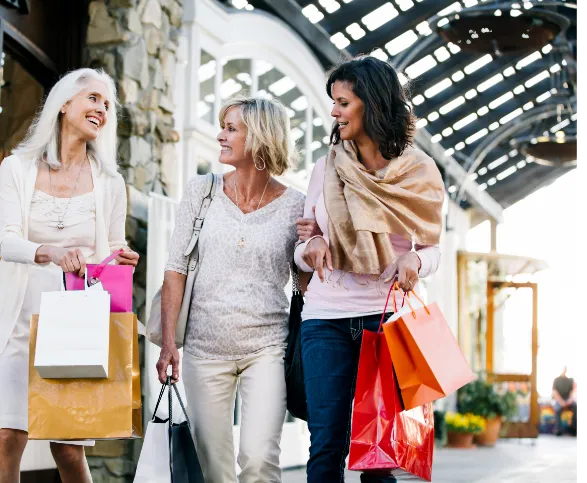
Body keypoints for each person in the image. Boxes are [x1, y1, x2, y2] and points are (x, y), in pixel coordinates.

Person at [294, 57, 445, 483]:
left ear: (372, 104)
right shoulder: (326, 169)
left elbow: (432, 249)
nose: (334, 111)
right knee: (326, 445)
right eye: (333, 102)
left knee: (378, 453)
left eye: (343, 102)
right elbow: (302, 247)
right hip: (325, 319)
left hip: (387, 321)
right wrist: (314, 243)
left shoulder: (418, 172)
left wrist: (413, 259)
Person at [156, 97, 305, 483]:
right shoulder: (201, 192)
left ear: (259, 137)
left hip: (267, 348)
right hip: (204, 349)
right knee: (214, 469)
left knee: (259, 461)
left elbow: (303, 286)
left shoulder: (296, 207)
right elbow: (176, 269)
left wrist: (312, 246)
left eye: (231, 129)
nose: (220, 136)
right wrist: (169, 342)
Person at [0, 68, 139, 483]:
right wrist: (48, 251)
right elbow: (3, 238)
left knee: (67, 447)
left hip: (76, 324)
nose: (102, 109)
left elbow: (110, 250)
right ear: (64, 104)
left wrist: (121, 257)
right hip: (18, 319)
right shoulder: (16, 169)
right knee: (7, 437)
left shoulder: (111, 183)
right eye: (93, 99)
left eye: (107, 105)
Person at [552, 367, 578, 435]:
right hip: (559, 400)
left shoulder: (570, 380)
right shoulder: (556, 380)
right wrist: (561, 402)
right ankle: (559, 429)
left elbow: (573, 391)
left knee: (577, 408)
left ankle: (573, 428)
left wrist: (570, 400)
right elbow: (555, 392)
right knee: (557, 410)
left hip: (568, 400)